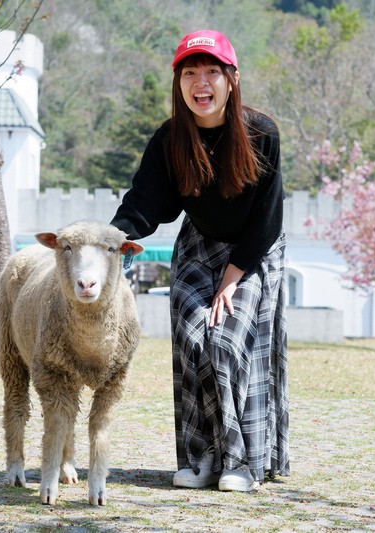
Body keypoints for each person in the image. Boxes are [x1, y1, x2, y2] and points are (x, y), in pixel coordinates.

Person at [110, 29, 289, 492]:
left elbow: (267, 220)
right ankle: (203, 456)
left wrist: (231, 279)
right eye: (191, 73)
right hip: (198, 245)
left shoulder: (261, 134)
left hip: (253, 252)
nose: (201, 83)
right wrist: (109, 240)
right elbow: (145, 205)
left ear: (232, 79)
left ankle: (243, 462)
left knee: (226, 343)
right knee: (193, 340)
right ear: (179, 83)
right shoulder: (171, 139)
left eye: (212, 71)